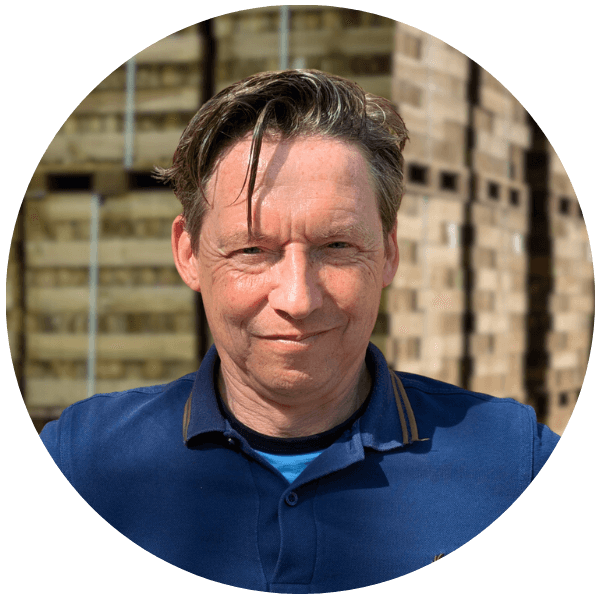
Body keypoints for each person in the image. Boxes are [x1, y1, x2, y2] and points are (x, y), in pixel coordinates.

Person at [39, 69, 560, 593]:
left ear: (389, 252)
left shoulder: (514, 464)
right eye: (252, 250)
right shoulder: (84, 463)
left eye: (337, 246)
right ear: (189, 254)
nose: (298, 299)